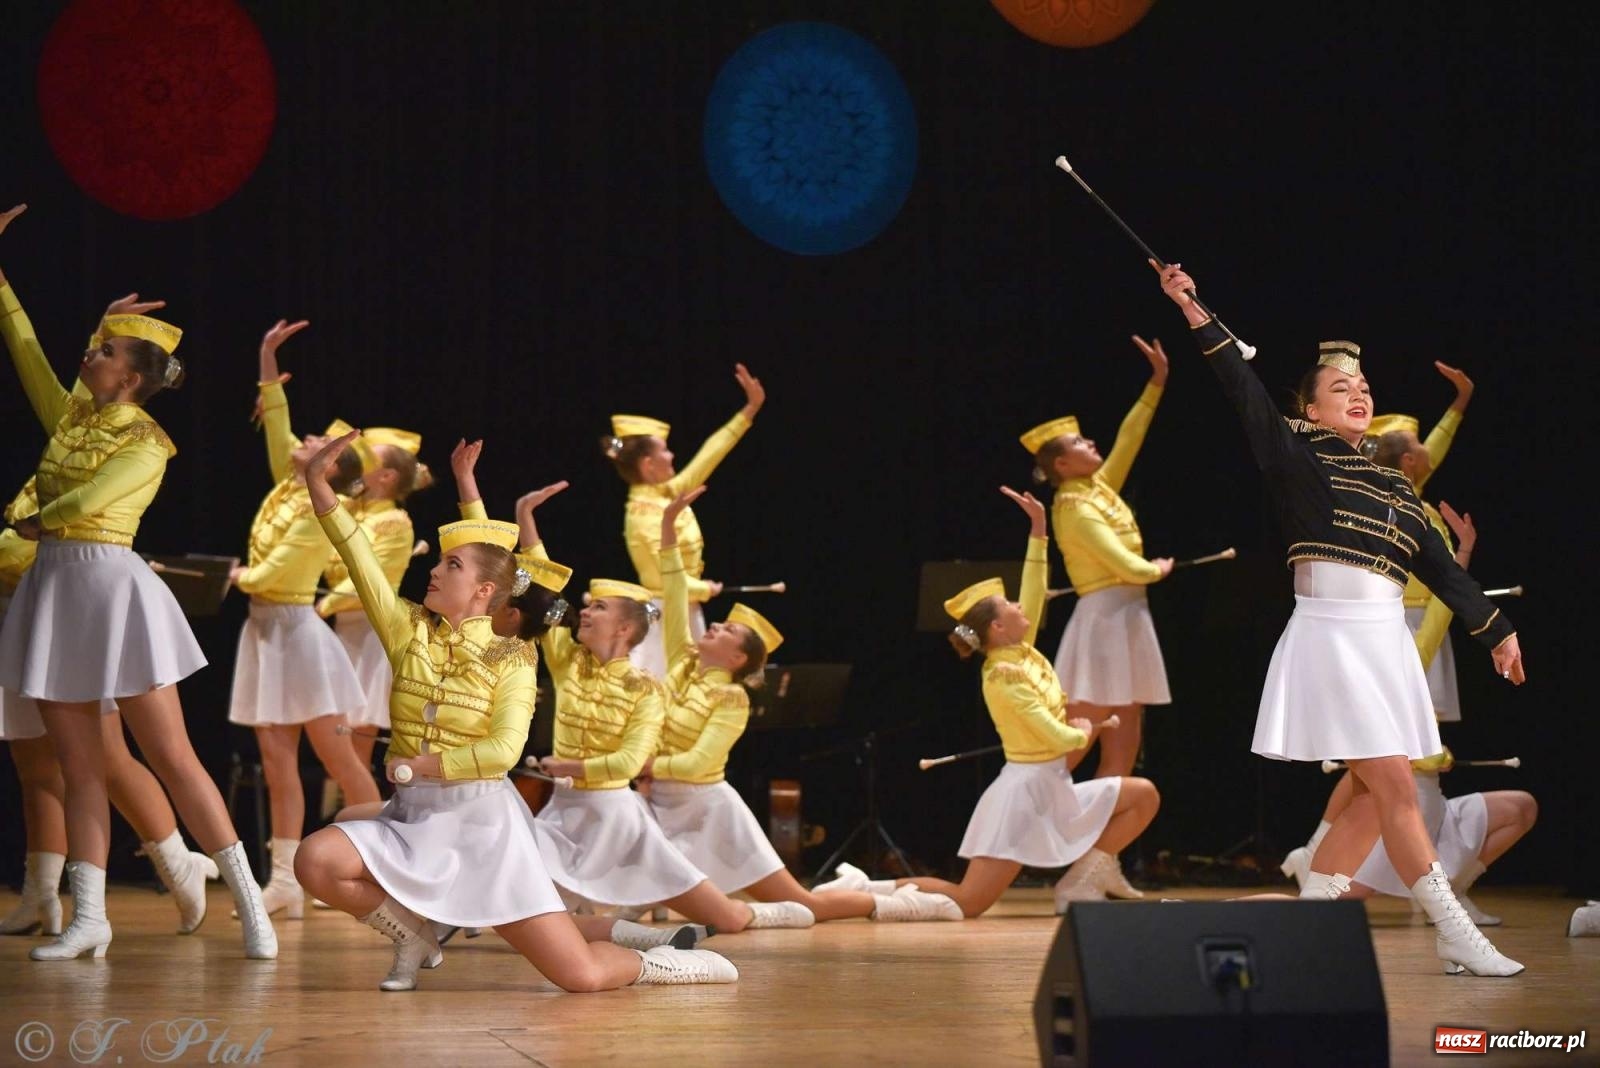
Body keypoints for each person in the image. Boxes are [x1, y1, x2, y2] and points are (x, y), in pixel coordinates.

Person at [1156, 258, 1525, 976]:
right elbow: (1241, 388)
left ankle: (1284, 929)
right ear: (1313, 411)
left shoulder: (1394, 487)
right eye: (1338, 389)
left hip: (1385, 642)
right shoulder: (1296, 456)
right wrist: (1192, 308)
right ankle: (1453, 929)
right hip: (1332, 639)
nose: (1356, 395)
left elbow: (1443, 571)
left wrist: (1497, 630)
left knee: (1364, 797)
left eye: (1362, 387)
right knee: (1393, 785)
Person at [293, 432, 738, 991]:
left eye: (449, 565)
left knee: (577, 976)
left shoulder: (514, 656)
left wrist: (421, 767)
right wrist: (320, 486)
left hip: (484, 828)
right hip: (415, 818)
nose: (432, 569)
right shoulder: (407, 629)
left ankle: (669, 964)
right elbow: (360, 558)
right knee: (317, 859)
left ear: (482, 592)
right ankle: (411, 933)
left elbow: (504, 752)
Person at [0, 202, 275, 960]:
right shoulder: (70, 417)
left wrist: (34, 522)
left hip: (110, 588)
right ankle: (90, 916)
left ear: (130, 372)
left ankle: (251, 905)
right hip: (53, 589)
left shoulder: (149, 441)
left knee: (171, 756)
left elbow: (90, 502)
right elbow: (25, 351)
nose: (86, 352)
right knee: (83, 767)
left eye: (101, 348)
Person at [819, 489, 1160, 917]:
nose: (1023, 606)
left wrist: (1038, 531)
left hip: (1054, 789)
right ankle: (867, 889)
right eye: (1011, 605)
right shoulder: (1002, 675)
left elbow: (1034, 589)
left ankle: (1082, 881)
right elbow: (1049, 732)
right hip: (1023, 797)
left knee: (1142, 795)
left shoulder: (1022, 650)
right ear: (998, 626)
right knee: (968, 901)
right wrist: (1084, 731)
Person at [504, 475, 813, 933]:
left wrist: (572, 766)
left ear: (625, 629)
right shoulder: (567, 660)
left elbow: (632, 762)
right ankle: (650, 940)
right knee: (530, 914)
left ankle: (759, 915)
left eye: (599, 607)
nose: (584, 610)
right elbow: (546, 593)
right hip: (567, 812)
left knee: (727, 919)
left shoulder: (646, 686)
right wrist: (525, 520)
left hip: (619, 815)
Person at [642, 488, 962, 922]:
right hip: (663, 801)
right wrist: (667, 527)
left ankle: (899, 904)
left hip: (708, 809)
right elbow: (675, 590)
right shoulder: (683, 663)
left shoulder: (731, 697)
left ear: (738, 659)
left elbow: (699, 763)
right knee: (646, 889)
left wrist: (647, 767)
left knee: (803, 903)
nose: (712, 624)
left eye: (724, 630)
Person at [226, 320, 378, 919]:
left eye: (317, 443)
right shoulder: (286, 487)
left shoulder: (317, 508)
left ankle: (377, 864)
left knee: (339, 760)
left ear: (329, 470)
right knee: (273, 759)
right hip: (263, 633)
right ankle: (286, 879)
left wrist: (229, 577)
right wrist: (266, 357)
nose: (304, 438)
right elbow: (279, 429)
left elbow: (278, 576)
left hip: (296, 632)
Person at [1021, 335, 1174, 782]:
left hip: (1129, 617)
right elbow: (1121, 563)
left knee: (1123, 750)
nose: (1092, 443)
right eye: (1080, 444)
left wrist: (1156, 384)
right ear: (1062, 465)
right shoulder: (1072, 508)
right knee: (1072, 744)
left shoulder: (1096, 488)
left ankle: (1099, 853)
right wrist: (1156, 570)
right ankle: (1024, 837)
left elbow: (1130, 437)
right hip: (1104, 622)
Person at [602, 363, 765, 676]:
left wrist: (749, 410)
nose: (673, 456)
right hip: (663, 618)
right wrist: (704, 589)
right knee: (660, 690)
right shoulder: (643, 515)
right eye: (665, 451)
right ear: (649, 465)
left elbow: (708, 457)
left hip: (686, 610)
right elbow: (665, 580)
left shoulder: (665, 493)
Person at [318, 426, 432, 772]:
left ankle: (358, 812)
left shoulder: (395, 522)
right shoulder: (352, 509)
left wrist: (322, 606)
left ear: (386, 476)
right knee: (334, 740)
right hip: (342, 630)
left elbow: (368, 580)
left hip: (372, 634)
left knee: (353, 744)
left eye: (368, 460)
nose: (359, 464)